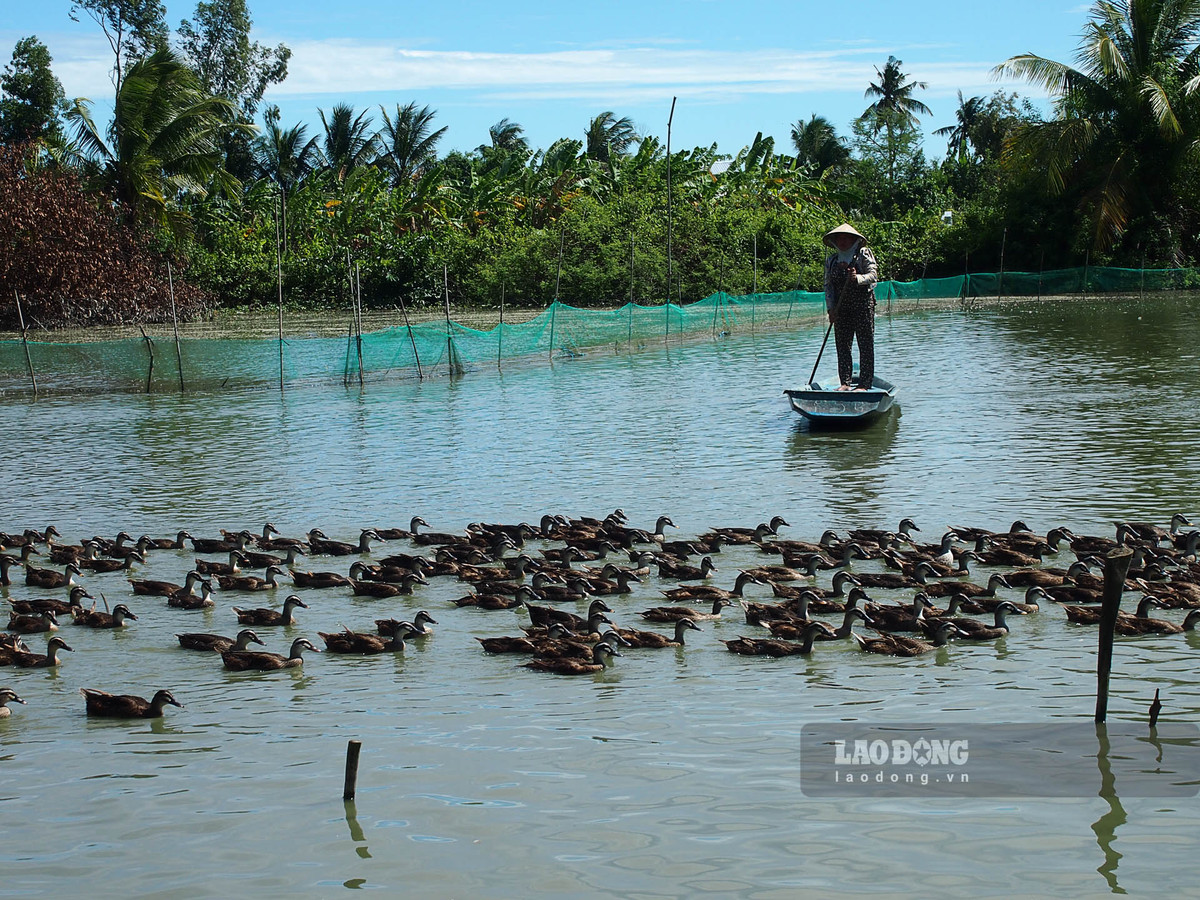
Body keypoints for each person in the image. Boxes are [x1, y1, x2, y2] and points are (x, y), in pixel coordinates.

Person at [823, 223, 879, 390]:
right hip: (841, 309)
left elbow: (873, 275)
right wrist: (830, 309)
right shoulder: (832, 260)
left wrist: (858, 278)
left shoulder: (862, 254)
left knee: (865, 345)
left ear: (854, 239)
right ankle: (845, 383)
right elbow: (828, 286)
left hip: (862, 306)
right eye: (839, 238)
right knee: (842, 345)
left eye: (846, 238)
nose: (843, 241)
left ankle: (864, 383)